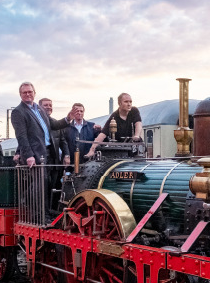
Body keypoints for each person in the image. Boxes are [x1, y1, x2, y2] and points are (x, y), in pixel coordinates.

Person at [11, 82, 75, 218]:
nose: (28, 94)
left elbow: (55, 125)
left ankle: (45, 212)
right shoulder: (18, 111)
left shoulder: (39, 110)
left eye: (30, 92)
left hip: (48, 152)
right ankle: (38, 215)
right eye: (25, 92)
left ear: (34, 93)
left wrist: (68, 118)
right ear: (20, 95)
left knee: (48, 184)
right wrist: (28, 155)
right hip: (35, 154)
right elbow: (21, 136)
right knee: (40, 184)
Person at [86, 93, 142, 159]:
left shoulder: (134, 111)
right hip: (119, 149)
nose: (129, 104)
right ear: (119, 103)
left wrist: (136, 136)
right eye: (126, 102)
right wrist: (92, 150)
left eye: (130, 102)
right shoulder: (114, 117)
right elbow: (103, 134)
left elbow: (138, 123)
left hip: (133, 146)